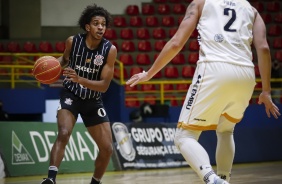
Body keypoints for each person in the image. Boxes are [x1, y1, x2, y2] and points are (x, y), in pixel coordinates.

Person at [126, 0, 281, 183]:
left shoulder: (200, 3)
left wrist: (150, 73)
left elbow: (176, 43)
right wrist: (266, 91)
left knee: (184, 137)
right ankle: (224, 178)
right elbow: (263, 48)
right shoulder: (252, 10)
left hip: (214, 69)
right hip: (246, 74)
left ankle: (211, 178)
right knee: (226, 130)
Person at [40, 4, 117, 184]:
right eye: (96, 23)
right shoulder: (72, 42)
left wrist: (80, 79)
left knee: (107, 149)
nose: (100, 27)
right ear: (87, 26)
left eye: (103, 24)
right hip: (71, 95)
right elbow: (64, 60)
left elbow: (104, 86)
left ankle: (95, 182)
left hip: (93, 99)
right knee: (64, 132)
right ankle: (51, 179)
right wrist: (47, 67)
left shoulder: (109, 50)